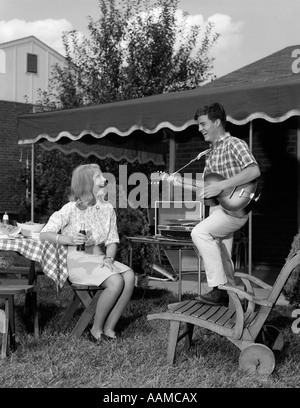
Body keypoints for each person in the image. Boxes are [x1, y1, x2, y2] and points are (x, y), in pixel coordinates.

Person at [40, 163, 135, 342]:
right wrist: (67, 239)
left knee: (129, 276)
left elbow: (112, 240)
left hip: (99, 256)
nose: (104, 179)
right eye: (98, 177)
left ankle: (109, 327)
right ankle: (95, 329)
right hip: (77, 260)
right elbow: (45, 233)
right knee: (115, 281)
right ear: (85, 184)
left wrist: (109, 258)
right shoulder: (70, 209)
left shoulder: (107, 209)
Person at [190, 102, 261, 306]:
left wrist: (222, 185)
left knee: (199, 233)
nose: (200, 129)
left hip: (236, 211)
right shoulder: (210, 153)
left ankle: (217, 290)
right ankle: (240, 306)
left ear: (217, 122)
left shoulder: (235, 144)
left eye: (203, 124)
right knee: (223, 259)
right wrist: (181, 183)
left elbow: (254, 171)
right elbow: (212, 192)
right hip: (220, 210)